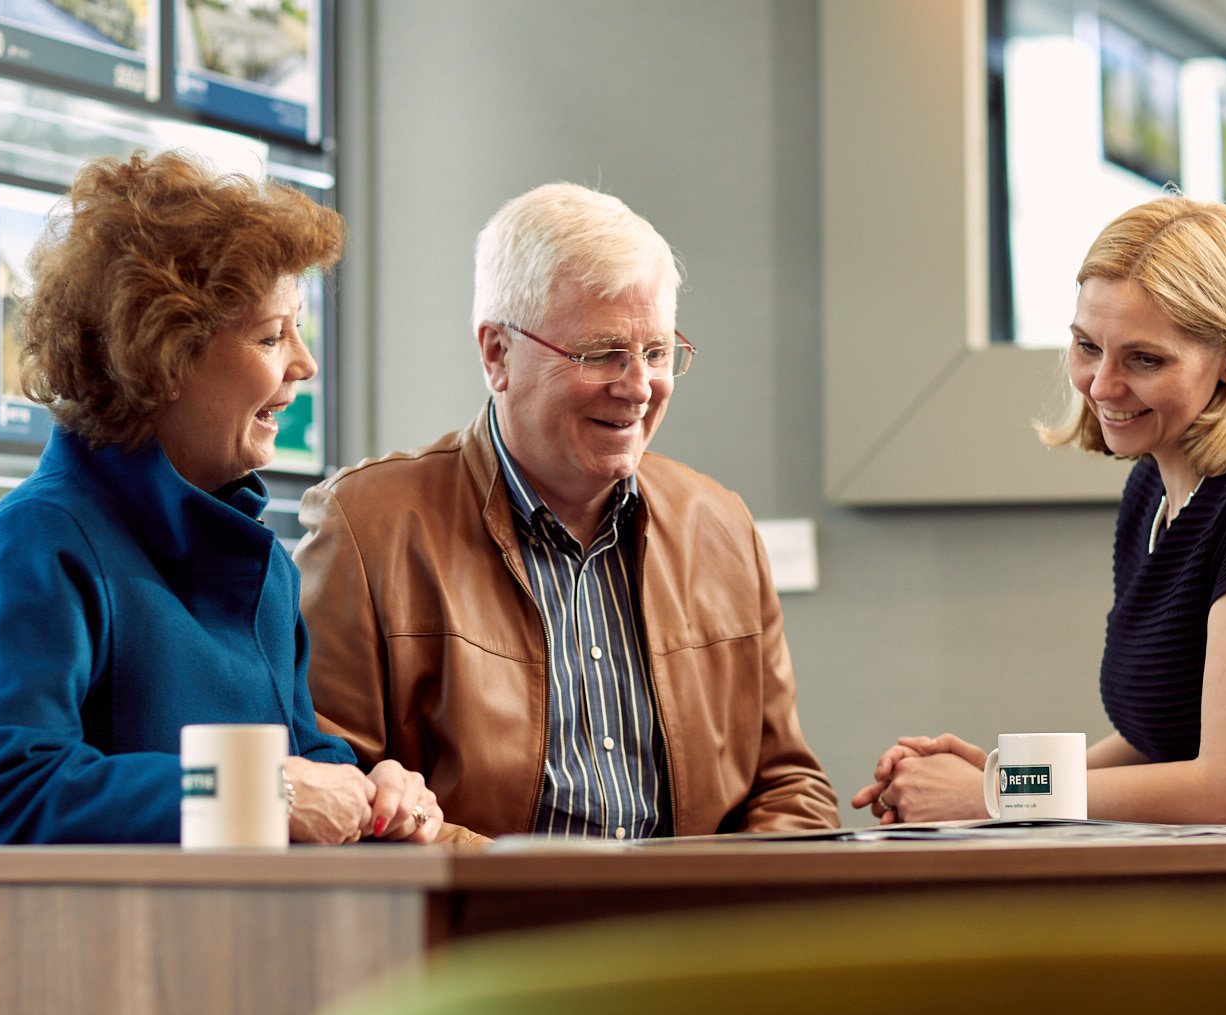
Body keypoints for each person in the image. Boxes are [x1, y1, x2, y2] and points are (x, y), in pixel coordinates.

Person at [0, 151, 442, 844]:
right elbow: (17, 795)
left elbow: (298, 756)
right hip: (9, 943)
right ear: (165, 356)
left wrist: (374, 790)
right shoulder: (33, 543)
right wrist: (269, 792)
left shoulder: (265, 568)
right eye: (272, 335)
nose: (304, 363)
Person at [293, 183, 841, 842]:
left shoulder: (720, 524)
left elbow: (787, 782)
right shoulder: (365, 527)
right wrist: (547, 894)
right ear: (497, 353)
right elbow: (338, 800)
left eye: (657, 352)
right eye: (602, 353)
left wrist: (720, 909)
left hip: (697, 932)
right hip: (487, 934)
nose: (638, 386)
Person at [854, 196, 1226, 826]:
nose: (1101, 386)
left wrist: (994, 798)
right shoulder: (1154, 490)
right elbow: (1162, 745)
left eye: (1144, 359)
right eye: (1087, 347)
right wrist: (1000, 777)